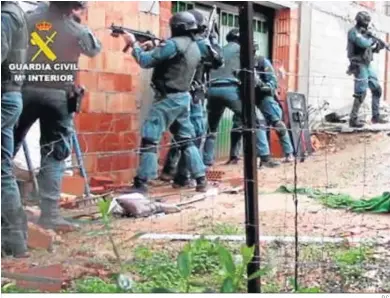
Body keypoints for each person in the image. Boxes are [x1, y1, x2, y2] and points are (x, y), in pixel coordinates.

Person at [13, 1, 102, 232]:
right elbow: (94, 49)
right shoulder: (75, 28)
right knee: (54, 154)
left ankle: (7, 210)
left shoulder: (29, 18)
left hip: (25, 91)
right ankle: (50, 216)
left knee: (6, 148)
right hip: (58, 96)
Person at [121, 11, 208, 193]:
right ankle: (201, 179)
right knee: (186, 140)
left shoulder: (174, 44)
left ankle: (142, 182)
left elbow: (145, 62)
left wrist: (134, 44)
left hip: (167, 98)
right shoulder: (194, 46)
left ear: (175, 27)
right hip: (183, 98)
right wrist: (154, 46)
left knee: (150, 138)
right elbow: (170, 60)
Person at [159, 9, 224, 188]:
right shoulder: (198, 45)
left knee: (182, 135)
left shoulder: (181, 43)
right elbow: (218, 60)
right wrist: (212, 42)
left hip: (182, 93)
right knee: (191, 136)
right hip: (191, 94)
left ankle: (170, 171)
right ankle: (182, 176)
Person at [203, 29, 280, 168]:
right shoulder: (243, 51)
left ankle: (206, 162)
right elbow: (250, 73)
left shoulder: (218, 50)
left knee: (211, 129)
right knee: (254, 121)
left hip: (212, 90)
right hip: (231, 89)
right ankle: (265, 157)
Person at [1, 0, 29, 258]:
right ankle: (15, 242)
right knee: (3, 171)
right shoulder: (15, 12)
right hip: (11, 97)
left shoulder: (5, 15)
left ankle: (14, 241)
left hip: (4, 97)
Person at [347, 11, 388, 128]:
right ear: (360, 21)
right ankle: (353, 119)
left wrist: (378, 46)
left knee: (377, 90)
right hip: (358, 64)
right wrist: (373, 39)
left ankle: (376, 116)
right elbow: (363, 43)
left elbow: (371, 49)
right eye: (365, 22)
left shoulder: (365, 33)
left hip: (367, 63)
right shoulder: (353, 32)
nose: (367, 25)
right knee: (361, 93)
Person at [254, 54, 294, 163]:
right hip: (248, 99)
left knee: (278, 124)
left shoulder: (261, 61)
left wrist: (261, 85)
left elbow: (273, 82)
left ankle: (289, 153)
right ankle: (236, 156)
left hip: (264, 97)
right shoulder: (239, 60)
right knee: (248, 125)